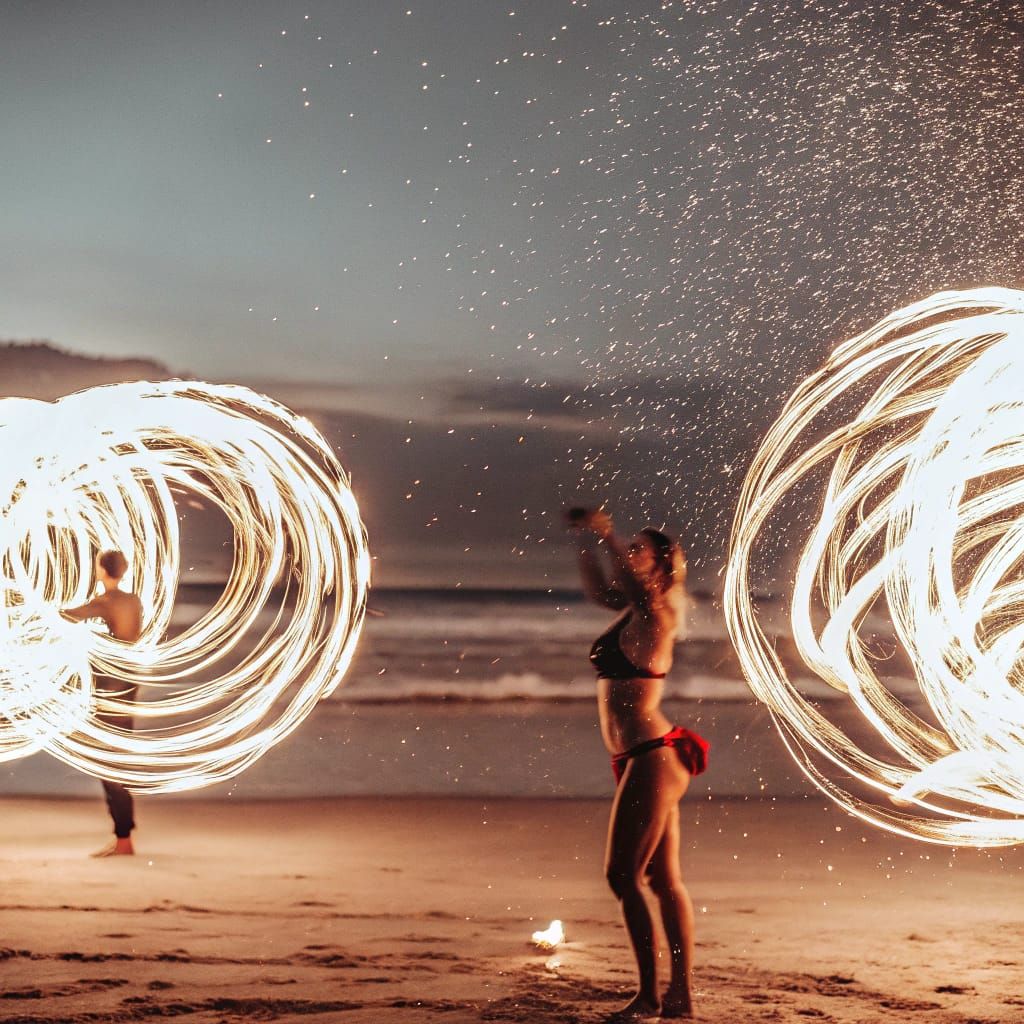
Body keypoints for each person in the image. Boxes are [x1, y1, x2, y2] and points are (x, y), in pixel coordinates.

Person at [566, 507, 708, 1022]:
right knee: (662, 879)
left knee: (622, 876)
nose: (630, 551)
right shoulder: (631, 611)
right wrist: (588, 542)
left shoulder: (658, 611)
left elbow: (636, 588)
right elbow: (598, 592)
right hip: (640, 756)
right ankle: (679, 999)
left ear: (663, 567)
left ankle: (650, 997)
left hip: (652, 757)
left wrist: (606, 533)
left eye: (640, 549)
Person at [63, 549, 143, 857]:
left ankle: (123, 839)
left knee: (109, 766)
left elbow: (68, 615)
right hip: (129, 685)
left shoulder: (104, 602)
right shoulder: (133, 600)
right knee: (114, 762)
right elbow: (130, 636)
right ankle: (124, 836)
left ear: (101, 570)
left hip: (110, 689)